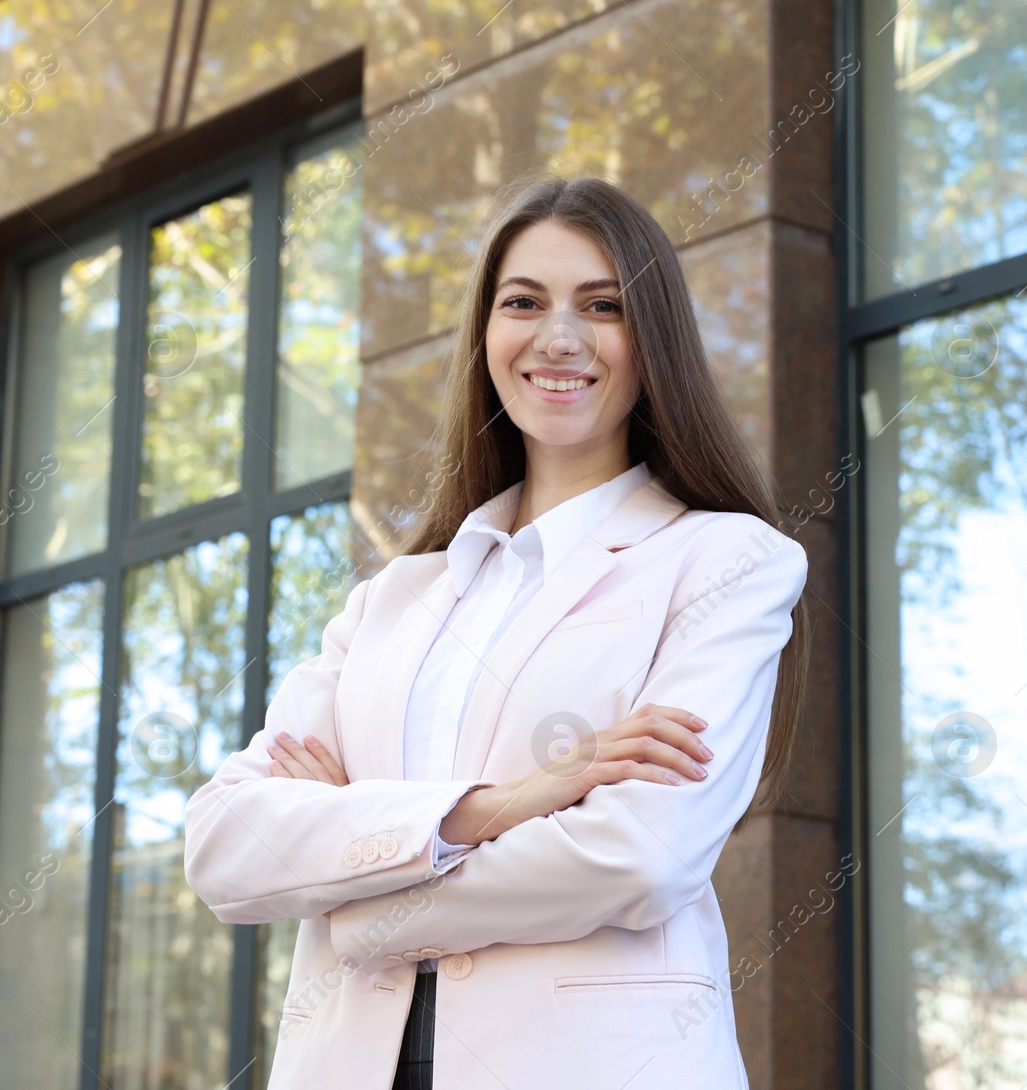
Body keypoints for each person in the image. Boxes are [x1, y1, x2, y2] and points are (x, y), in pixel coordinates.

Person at [184, 173, 811, 1089]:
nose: (559, 337)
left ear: (654, 343)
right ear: (486, 337)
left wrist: (360, 899)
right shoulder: (390, 601)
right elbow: (225, 841)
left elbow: (639, 856)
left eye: (603, 306)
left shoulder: (725, 562)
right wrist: (505, 803)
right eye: (524, 302)